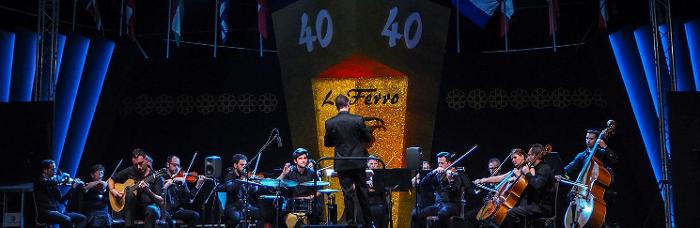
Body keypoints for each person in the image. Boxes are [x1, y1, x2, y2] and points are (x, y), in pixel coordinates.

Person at [323, 94, 374, 226]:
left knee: (348, 194)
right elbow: (368, 139)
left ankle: (351, 223)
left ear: (337, 106)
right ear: (348, 104)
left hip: (342, 163)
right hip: (358, 161)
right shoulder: (357, 120)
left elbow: (328, 143)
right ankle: (368, 223)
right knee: (363, 192)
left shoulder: (330, 122)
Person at [500, 144, 556, 228]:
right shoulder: (535, 168)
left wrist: (527, 174)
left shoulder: (544, 169)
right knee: (509, 210)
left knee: (511, 213)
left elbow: (537, 185)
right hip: (533, 204)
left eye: (529, 155)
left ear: (534, 156)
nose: (527, 157)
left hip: (542, 207)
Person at [108, 155, 164, 228]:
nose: (139, 167)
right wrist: (113, 190)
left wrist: (148, 191)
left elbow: (160, 201)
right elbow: (111, 179)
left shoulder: (157, 177)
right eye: (136, 165)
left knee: (151, 209)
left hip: (149, 207)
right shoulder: (131, 171)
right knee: (129, 193)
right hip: (132, 209)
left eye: (141, 164)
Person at [411, 152, 464, 228]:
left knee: (442, 213)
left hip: (452, 205)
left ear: (449, 163)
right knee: (417, 215)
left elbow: (455, 190)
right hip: (438, 205)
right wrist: (434, 171)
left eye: (442, 163)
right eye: (438, 163)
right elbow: (424, 183)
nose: (440, 165)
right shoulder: (437, 175)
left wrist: (450, 181)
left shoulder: (455, 175)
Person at [34, 159, 87, 227]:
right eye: (52, 169)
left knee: (82, 218)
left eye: (55, 169)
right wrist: (62, 176)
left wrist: (73, 188)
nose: (55, 171)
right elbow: (51, 182)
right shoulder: (40, 180)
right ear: (45, 170)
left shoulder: (53, 182)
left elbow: (61, 200)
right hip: (45, 213)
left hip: (57, 211)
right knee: (66, 219)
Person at [278, 148, 323, 225]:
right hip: (292, 205)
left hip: (309, 204)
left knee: (317, 212)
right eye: (300, 158)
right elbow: (276, 183)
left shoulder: (312, 172)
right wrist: (284, 174)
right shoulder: (290, 171)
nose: (303, 160)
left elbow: (320, 190)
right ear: (295, 161)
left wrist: (313, 196)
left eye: (305, 158)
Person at [162, 155, 202, 228]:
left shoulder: (181, 179)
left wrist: (197, 186)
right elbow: (161, 188)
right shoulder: (162, 176)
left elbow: (189, 199)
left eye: (178, 165)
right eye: (174, 165)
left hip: (176, 211)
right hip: (165, 210)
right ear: (168, 164)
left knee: (195, 215)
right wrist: (173, 180)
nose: (177, 168)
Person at [222, 154, 261, 227]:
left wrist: (253, 183)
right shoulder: (229, 176)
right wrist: (241, 180)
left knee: (262, 213)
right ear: (235, 165)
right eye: (242, 165)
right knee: (236, 218)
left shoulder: (246, 176)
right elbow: (229, 188)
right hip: (233, 206)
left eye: (245, 165)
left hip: (245, 206)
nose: (244, 167)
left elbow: (254, 191)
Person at [366, 155, 389, 228]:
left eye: (375, 164)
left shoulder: (382, 174)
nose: (373, 166)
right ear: (367, 164)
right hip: (368, 203)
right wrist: (365, 183)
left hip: (380, 203)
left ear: (378, 164)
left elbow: (385, 189)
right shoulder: (363, 175)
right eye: (371, 164)